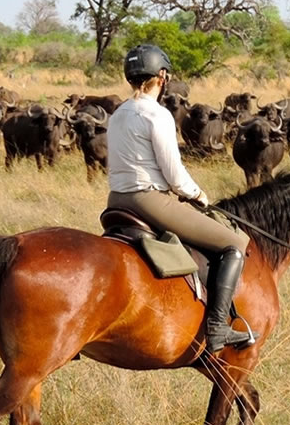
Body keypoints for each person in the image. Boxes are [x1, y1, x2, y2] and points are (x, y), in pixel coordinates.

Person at [106, 44, 259, 352]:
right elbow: (174, 175)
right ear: (162, 77)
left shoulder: (118, 114)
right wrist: (198, 194)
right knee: (235, 244)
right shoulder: (157, 115)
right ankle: (217, 328)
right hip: (149, 200)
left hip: (116, 201)